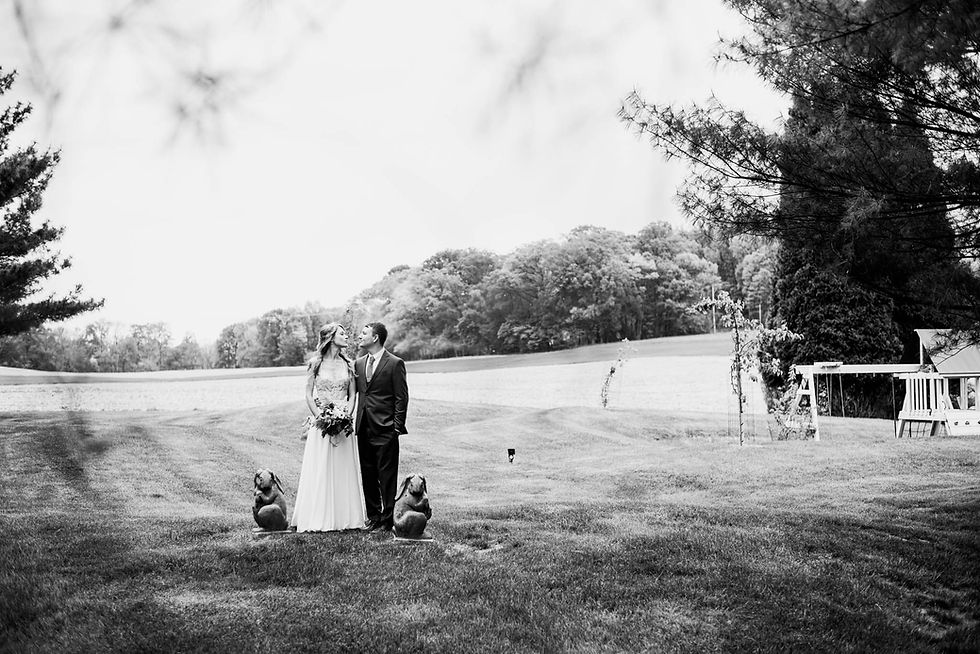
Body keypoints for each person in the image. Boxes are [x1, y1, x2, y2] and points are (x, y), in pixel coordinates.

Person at [291, 323, 367, 532]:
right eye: (342, 334)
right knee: (321, 468)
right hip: (321, 423)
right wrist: (321, 417)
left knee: (343, 469)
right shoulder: (315, 364)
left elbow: (353, 395)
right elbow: (308, 393)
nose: (346, 337)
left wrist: (345, 417)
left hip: (343, 425)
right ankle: (318, 517)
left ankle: (347, 518)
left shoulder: (349, 364)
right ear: (331, 337)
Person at [354, 322, 409, 532]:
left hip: (386, 429)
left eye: (364, 333)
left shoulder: (395, 363)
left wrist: (396, 427)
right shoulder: (358, 364)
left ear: (375, 337)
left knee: (386, 477)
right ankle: (374, 517)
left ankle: (388, 520)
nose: (360, 336)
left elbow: (401, 397)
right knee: (368, 475)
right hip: (363, 427)